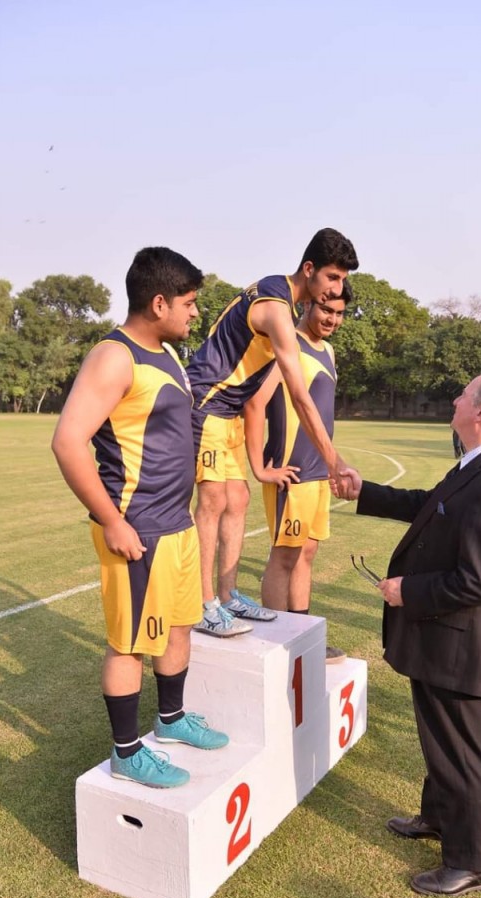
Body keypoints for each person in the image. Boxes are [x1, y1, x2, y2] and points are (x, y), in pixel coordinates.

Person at [341, 369, 481, 896]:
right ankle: (438, 817)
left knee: (461, 753)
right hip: (443, 638)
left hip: (460, 644)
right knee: (440, 740)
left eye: (464, 395)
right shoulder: (478, 464)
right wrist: (364, 491)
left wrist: (409, 591)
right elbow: (431, 506)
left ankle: (473, 863)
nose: (454, 400)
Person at [52, 247, 228, 789]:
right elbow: (68, 442)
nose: (195, 312)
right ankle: (127, 753)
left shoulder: (167, 353)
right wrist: (112, 521)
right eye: (189, 303)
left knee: (179, 625)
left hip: (177, 523)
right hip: (137, 528)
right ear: (158, 303)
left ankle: (171, 719)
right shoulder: (115, 357)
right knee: (130, 643)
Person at [187, 228, 359, 637]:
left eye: (342, 280)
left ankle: (228, 596)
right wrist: (335, 463)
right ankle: (203, 604)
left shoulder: (276, 292)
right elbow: (299, 396)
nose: (337, 288)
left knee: (238, 499)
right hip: (205, 403)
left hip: (228, 412)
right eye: (333, 277)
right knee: (212, 500)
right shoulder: (277, 310)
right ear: (309, 269)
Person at [244, 282, 352, 664]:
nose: (332, 319)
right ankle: (276, 645)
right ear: (308, 304)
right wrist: (260, 467)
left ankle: (303, 641)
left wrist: (331, 463)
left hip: (318, 474)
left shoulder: (329, 351)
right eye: (326, 309)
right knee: (285, 556)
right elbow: (255, 403)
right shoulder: (288, 344)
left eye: (339, 313)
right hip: (291, 472)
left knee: (307, 553)